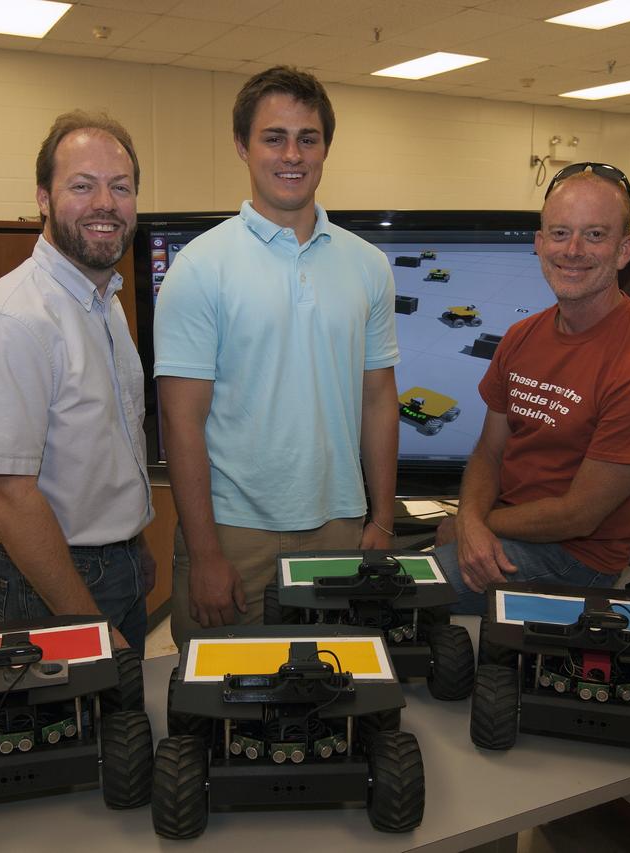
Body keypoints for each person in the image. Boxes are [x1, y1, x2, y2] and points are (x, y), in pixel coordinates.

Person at [154, 66, 400, 646]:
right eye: (274, 137)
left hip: (339, 525)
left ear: (325, 149)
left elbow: (379, 399)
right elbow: (181, 421)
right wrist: (206, 553)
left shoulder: (368, 265)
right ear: (243, 146)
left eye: (307, 138)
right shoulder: (199, 267)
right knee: (220, 691)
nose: (292, 155)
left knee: (335, 683)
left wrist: (383, 520)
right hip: (232, 533)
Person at [434, 163, 630, 614]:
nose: (572, 251)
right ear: (539, 243)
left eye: (594, 235)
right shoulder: (522, 336)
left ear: (624, 250)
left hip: (574, 559)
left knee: (405, 594)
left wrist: (474, 525)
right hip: (509, 525)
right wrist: (470, 521)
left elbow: (578, 515)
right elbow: (489, 452)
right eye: (560, 233)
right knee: (396, 578)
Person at [0, 110, 156, 656]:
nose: (105, 204)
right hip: (46, 585)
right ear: (43, 197)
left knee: (124, 712)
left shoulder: (103, 301)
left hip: (117, 565)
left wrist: (132, 545)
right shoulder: (13, 319)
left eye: (121, 187)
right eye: (82, 186)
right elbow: (5, 492)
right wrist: (88, 628)